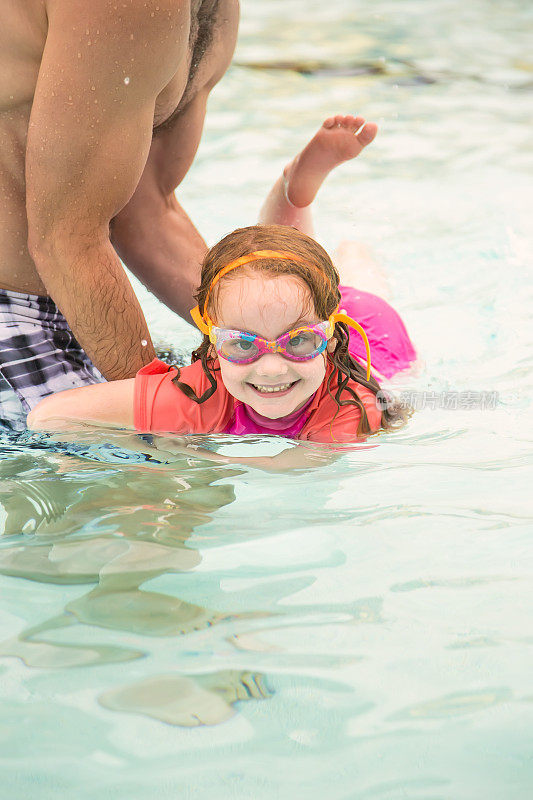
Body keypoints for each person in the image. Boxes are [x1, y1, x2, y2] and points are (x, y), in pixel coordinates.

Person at [28, 114, 417, 444]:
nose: (271, 368)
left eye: (299, 341)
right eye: (243, 345)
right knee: (284, 277)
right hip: (315, 309)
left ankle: (312, 211)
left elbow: (300, 478)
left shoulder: (352, 404)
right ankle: (293, 189)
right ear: (213, 346)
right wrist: (177, 451)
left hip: (373, 336)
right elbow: (49, 417)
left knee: (352, 277)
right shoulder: (196, 394)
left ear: (331, 340)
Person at [0, 0, 240, 431]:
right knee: (173, 486)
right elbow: (64, 239)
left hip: (73, 298)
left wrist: (271, 341)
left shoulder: (216, 9)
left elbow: (147, 209)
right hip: (19, 304)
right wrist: (165, 413)